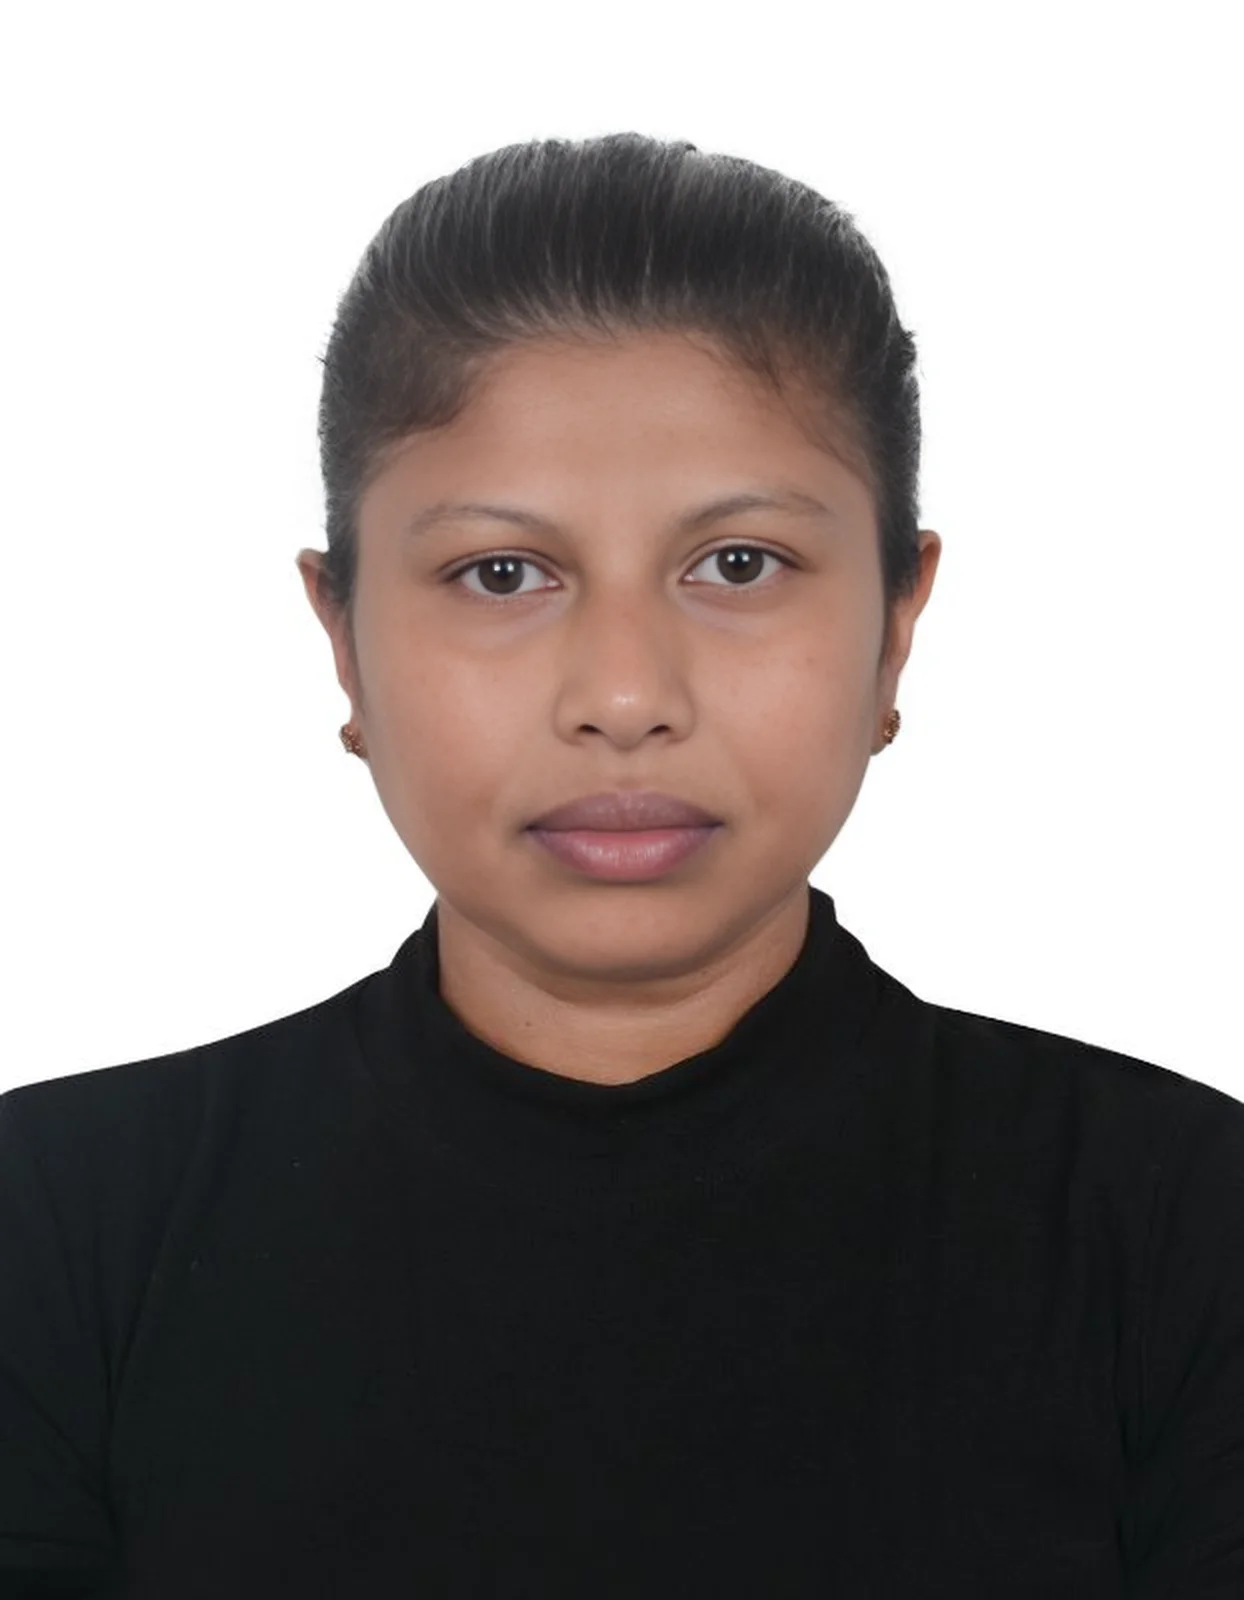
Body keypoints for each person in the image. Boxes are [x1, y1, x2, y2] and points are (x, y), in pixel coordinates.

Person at [2, 133, 1241, 1599]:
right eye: (501, 573)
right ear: (343, 639)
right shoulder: (55, 1229)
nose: (625, 694)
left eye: (738, 564)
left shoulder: (1185, 1233)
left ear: (896, 626)